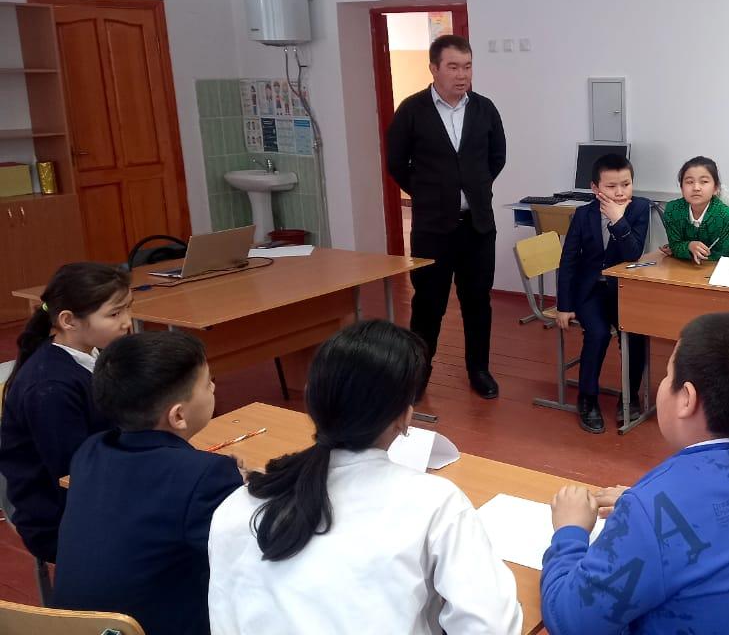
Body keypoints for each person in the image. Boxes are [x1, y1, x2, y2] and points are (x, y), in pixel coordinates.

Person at [208, 320, 520, 634]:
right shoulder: (435, 503)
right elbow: (491, 626)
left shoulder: (239, 504)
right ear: (405, 417)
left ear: (311, 402)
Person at [541, 312, 729, 633]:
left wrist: (570, 531)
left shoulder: (651, 511)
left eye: (667, 374)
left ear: (687, 399)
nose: (663, 384)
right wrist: (643, 507)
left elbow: (569, 620)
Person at [54, 331, 240, 635]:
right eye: (207, 382)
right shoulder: (205, 476)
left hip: (76, 627)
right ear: (178, 416)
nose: (213, 387)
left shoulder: (90, 451)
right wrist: (246, 492)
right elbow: (244, 554)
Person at [386, 34, 505, 399]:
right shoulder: (412, 110)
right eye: (453, 67)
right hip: (432, 229)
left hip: (477, 227)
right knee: (428, 304)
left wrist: (472, 187)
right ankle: (419, 374)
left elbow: (497, 158)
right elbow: (396, 163)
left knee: (477, 302)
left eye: (467, 67)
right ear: (434, 69)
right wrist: (429, 194)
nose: (462, 75)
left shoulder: (484, 109)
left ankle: (479, 370)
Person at [0, 262, 131, 563]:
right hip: (59, 517)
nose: (127, 322)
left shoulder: (93, 352)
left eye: (128, 308)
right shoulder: (50, 388)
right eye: (114, 314)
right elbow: (73, 472)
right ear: (69, 320)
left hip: (100, 482)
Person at [555, 153, 649, 433]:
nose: (620, 192)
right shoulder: (583, 215)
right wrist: (564, 305)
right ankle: (587, 398)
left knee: (635, 334)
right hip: (591, 291)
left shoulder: (639, 208)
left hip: (623, 289)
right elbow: (569, 260)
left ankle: (630, 396)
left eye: (626, 184)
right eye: (611, 186)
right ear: (595, 188)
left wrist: (618, 220)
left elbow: (633, 252)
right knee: (597, 334)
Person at [659, 156, 729, 264]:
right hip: (682, 268)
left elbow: (726, 254)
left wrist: (681, 251)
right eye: (689, 182)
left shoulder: (727, 216)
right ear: (681, 188)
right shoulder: (672, 210)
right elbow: (674, 245)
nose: (696, 188)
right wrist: (689, 246)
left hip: (716, 269)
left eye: (704, 181)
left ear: (716, 188)